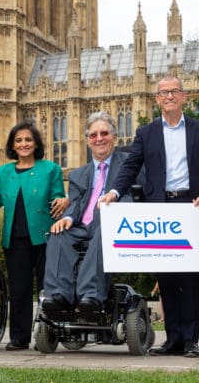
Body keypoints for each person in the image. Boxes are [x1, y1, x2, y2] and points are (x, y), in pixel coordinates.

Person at [101, 75, 199, 358]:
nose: (169, 97)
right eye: (163, 92)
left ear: (183, 96)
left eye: (174, 91)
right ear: (157, 99)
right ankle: (173, 338)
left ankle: (191, 340)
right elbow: (131, 166)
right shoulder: (146, 132)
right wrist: (114, 191)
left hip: (190, 207)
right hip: (159, 208)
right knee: (165, 277)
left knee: (189, 277)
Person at [42, 111, 141, 313]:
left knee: (104, 230)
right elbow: (75, 203)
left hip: (112, 223)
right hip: (81, 226)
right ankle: (58, 295)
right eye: (93, 135)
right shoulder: (78, 174)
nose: (99, 139)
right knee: (58, 233)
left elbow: (134, 195)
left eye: (104, 133)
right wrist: (67, 218)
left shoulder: (130, 164)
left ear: (114, 136)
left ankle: (91, 295)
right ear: (87, 140)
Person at [0, 121, 68, 350]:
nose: (23, 144)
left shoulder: (51, 169)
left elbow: (58, 198)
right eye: (18, 140)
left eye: (28, 140)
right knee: (19, 290)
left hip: (45, 235)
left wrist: (65, 199)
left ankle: (49, 335)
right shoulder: (2, 172)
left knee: (48, 288)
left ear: (36, 144)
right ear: (12, 146)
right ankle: (19, 337)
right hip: (14, 239)